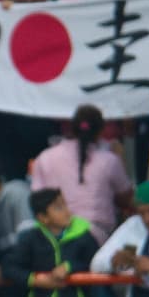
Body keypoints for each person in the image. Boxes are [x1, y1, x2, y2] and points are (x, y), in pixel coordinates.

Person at [30, 104, 132, 243]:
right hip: (96, 238)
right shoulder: (110, 160)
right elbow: (126, 199)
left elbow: (36, 201)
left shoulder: (45, 157)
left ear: (71, 128)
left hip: (53, 238)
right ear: (100, 131)